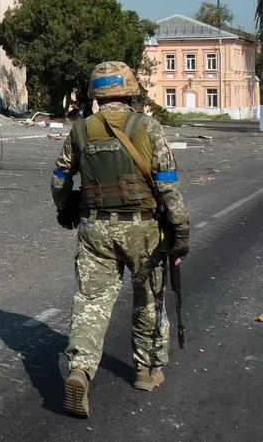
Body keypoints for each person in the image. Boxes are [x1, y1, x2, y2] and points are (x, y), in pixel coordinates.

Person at [50, 61, 190, 418]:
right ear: (130, 93)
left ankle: (80, 369)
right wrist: (180, 231)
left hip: (95, 228)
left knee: (91, 301)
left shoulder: (80, 130)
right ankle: (146, 370)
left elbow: (59, 179)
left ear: (96, 96)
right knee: (148, 298)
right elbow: (167, 183)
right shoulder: (148, 127)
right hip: (143, 229)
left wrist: (65, 208)